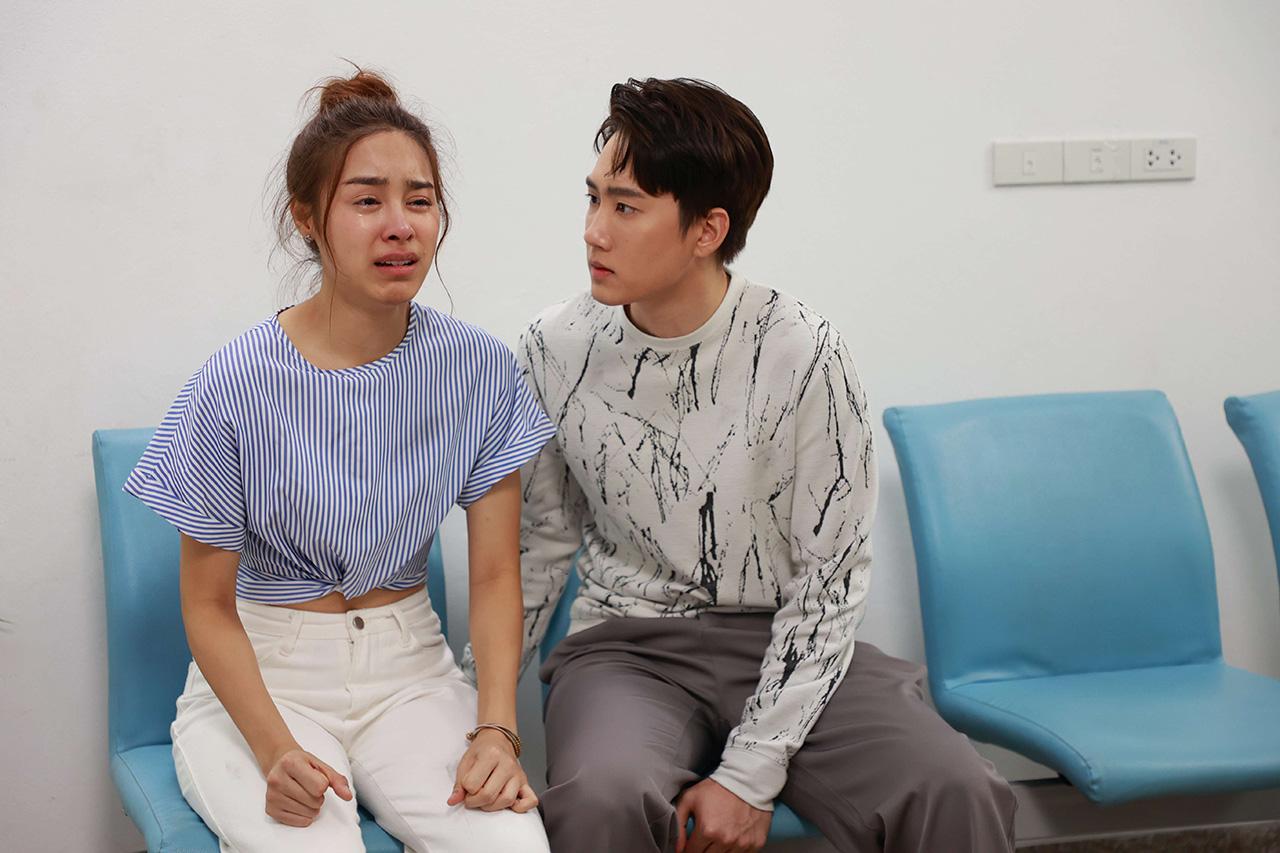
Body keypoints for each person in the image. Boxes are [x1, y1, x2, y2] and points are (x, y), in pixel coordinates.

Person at [512, 78, 1017, 852]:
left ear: (707, 229)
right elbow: (538, 546)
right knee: (601, 796)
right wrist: (470, 713)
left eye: (625, 207)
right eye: (592, 199)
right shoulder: (554, 348)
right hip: (627, 646)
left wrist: (749, 773)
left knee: (954, 786)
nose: (593, 232)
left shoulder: (803, 352)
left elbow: (831, 576)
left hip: (787, 638)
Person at [124, 69, 554, 853]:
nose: (399, 226)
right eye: (366, 201)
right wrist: (273, 748)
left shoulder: (480, 370)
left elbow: (496, 574)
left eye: (419, 200)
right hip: (265, 681)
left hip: (413, 675)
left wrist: (497, 729)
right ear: (307, 218)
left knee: (512, 846)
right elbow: (208, 606)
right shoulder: (233, 383)